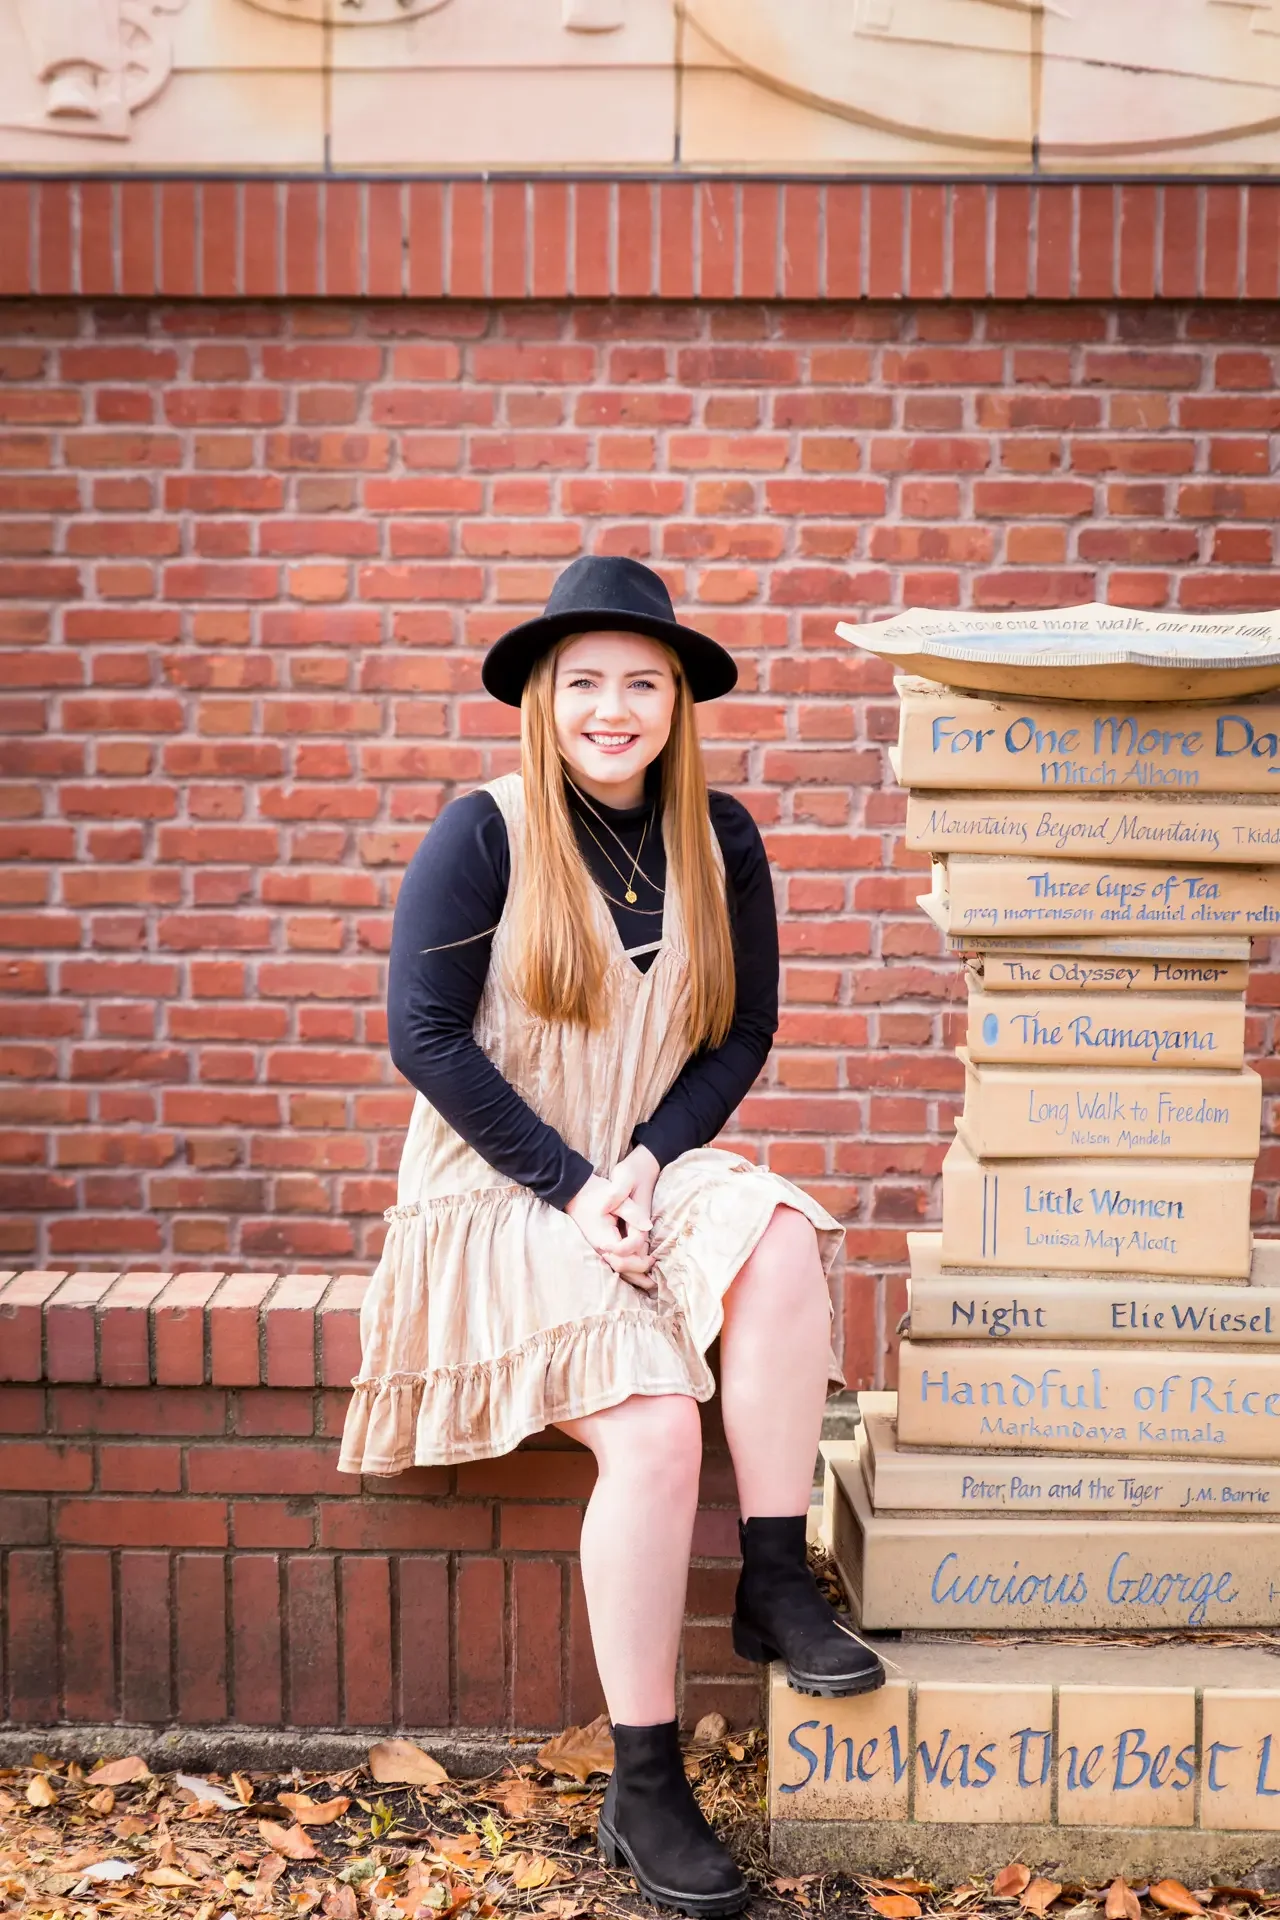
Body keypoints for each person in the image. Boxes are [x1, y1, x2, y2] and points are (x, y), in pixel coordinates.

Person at [339, 556, 884, 1918]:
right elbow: (424, 1040)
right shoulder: (486, 830)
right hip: (498, 1187)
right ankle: (645, 1785)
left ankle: (774, 1578)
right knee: (651, 1426)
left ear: (676, 703)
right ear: (544, 697)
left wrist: (642, 1164)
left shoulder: (722, 838)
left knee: (769, 1223)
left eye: (641, 682)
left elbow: (741, 1034)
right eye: (584, 681)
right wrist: (578, 1186)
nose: (613, 706)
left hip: (640, 1164)